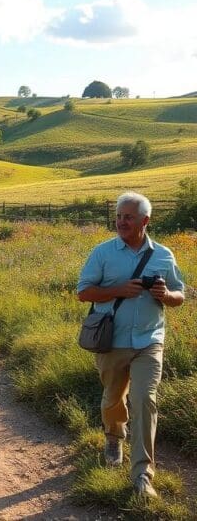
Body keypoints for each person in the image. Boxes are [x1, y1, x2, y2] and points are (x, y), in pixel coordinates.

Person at [77, 192, 184, 498]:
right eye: (119, 216)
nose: (121, 222)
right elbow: (83, 292)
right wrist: (118, 290)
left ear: (145, 221)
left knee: (144, 400)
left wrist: (166, 296)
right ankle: (114, 436)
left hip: (150, 341)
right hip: (112, 341)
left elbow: (180, 295)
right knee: (113, 399)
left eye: (128, 217)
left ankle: (142, 475)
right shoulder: (102, 253)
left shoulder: (163, 255)